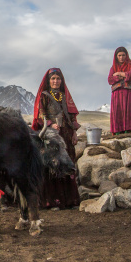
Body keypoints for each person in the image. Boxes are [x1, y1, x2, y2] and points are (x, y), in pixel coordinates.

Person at [32, 68, 81, 209]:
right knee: (53, 165)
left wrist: (74, 133)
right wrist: (51, 124)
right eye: (53, 78)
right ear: (49, 81)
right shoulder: (44, 96)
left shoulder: (64, 96)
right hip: (52, 136)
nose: (55, 81)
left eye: (58, 78)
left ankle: (70, 201)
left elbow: (71, 117)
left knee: (68, 163)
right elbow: (40, 115)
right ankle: (53, 201)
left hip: (66, 134)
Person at [108, 47, 131, 136]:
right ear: (116, 56)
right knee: (117, 112)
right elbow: (110, 80)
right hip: (117, 94)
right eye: (119, 55)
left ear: (126, 55)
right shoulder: (113, 67)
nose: (121, 57)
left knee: (129, 111)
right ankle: (118, 133)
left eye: (123, 55)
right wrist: (124, 76)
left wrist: (118, 74)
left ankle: (130, 133)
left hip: (128, 93)